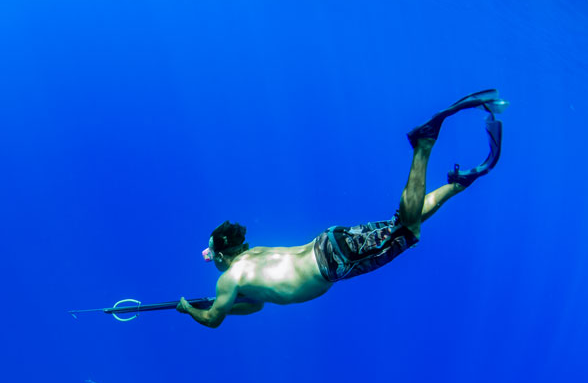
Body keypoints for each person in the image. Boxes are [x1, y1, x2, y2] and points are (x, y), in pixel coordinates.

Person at [176, 89, 507, 328]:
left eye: (210, 257)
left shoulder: (229, 279)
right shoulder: (250, 259)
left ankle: (423, 145)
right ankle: (457, 184)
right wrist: (221, 304)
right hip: (328, 244)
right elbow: (256, 305)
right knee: (403, 225)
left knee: (406, 229)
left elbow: (212, 320)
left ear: (220, 256)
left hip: (332, 262)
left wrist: (188, 308)